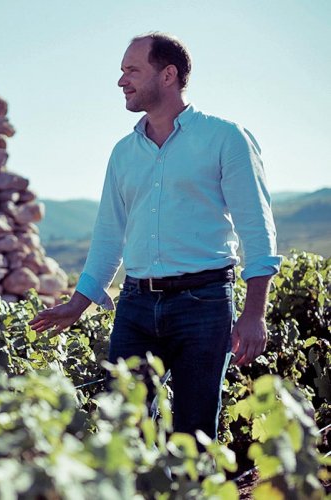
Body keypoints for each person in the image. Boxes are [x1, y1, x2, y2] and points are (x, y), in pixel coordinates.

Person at [29, 32, 281, 440]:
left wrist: (254, 314)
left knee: (194, 435)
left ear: (168, 75)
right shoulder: (123, 153)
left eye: (132, 69)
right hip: (136, 306)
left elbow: (257, 228)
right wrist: (78, 302)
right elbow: (109, 235)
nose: (121, 80)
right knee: (121, 431)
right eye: (121, 71)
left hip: (204, 304)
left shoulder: (225, 138)